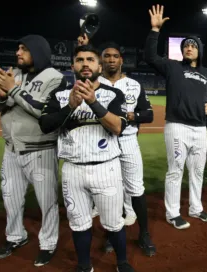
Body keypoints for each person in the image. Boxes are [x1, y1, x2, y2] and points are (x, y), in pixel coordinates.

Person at [39, 45, 135, 272]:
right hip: (73, 169)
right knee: (78, 223)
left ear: (99, 66)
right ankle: (84, 266)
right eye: (80, 60)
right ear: (72, 66)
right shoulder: (60, 96)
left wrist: (93, 102)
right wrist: (70, 106)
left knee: (113, 223)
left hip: (106, 168)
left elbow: (118, 127)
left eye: (90, 59)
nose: (85, 64)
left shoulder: (113, 94)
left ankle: (122, 263)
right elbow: (45, 126)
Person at [77, 36, 157, 256]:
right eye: (106, 57)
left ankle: (144, 234)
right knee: (110, 191)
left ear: (121, 60)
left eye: (115, 56)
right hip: (103, 142)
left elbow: (148, 115)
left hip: (128, 140)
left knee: (136, 189)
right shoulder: (93, 83)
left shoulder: (133, 84)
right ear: (100, 62)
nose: (111, 60)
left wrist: (130, 115)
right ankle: (113, 234)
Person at [145, 5, 207, 229]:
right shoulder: (172, 67)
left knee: (197, 171)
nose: (188, 47)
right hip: (177, 126)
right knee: (176, 170)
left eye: (193, 46)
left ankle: (196, 209)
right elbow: (150, 56)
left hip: (199, 128)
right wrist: (155, 31)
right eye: (185, 45)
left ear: (200, 51)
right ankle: (173, 213)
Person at [0, 35, 64, 266]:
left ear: (37, 51)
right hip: (12, 148)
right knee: (11, 199)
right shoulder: (13, 75)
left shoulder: (55, 78)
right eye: (17, 48)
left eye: (24, 49)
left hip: (41, 149)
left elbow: (42, 110)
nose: (18, 53)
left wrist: (13, 92)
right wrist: (2, 95)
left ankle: (48, 243)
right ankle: (16, 236)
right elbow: (3, 105)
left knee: (47, 202)